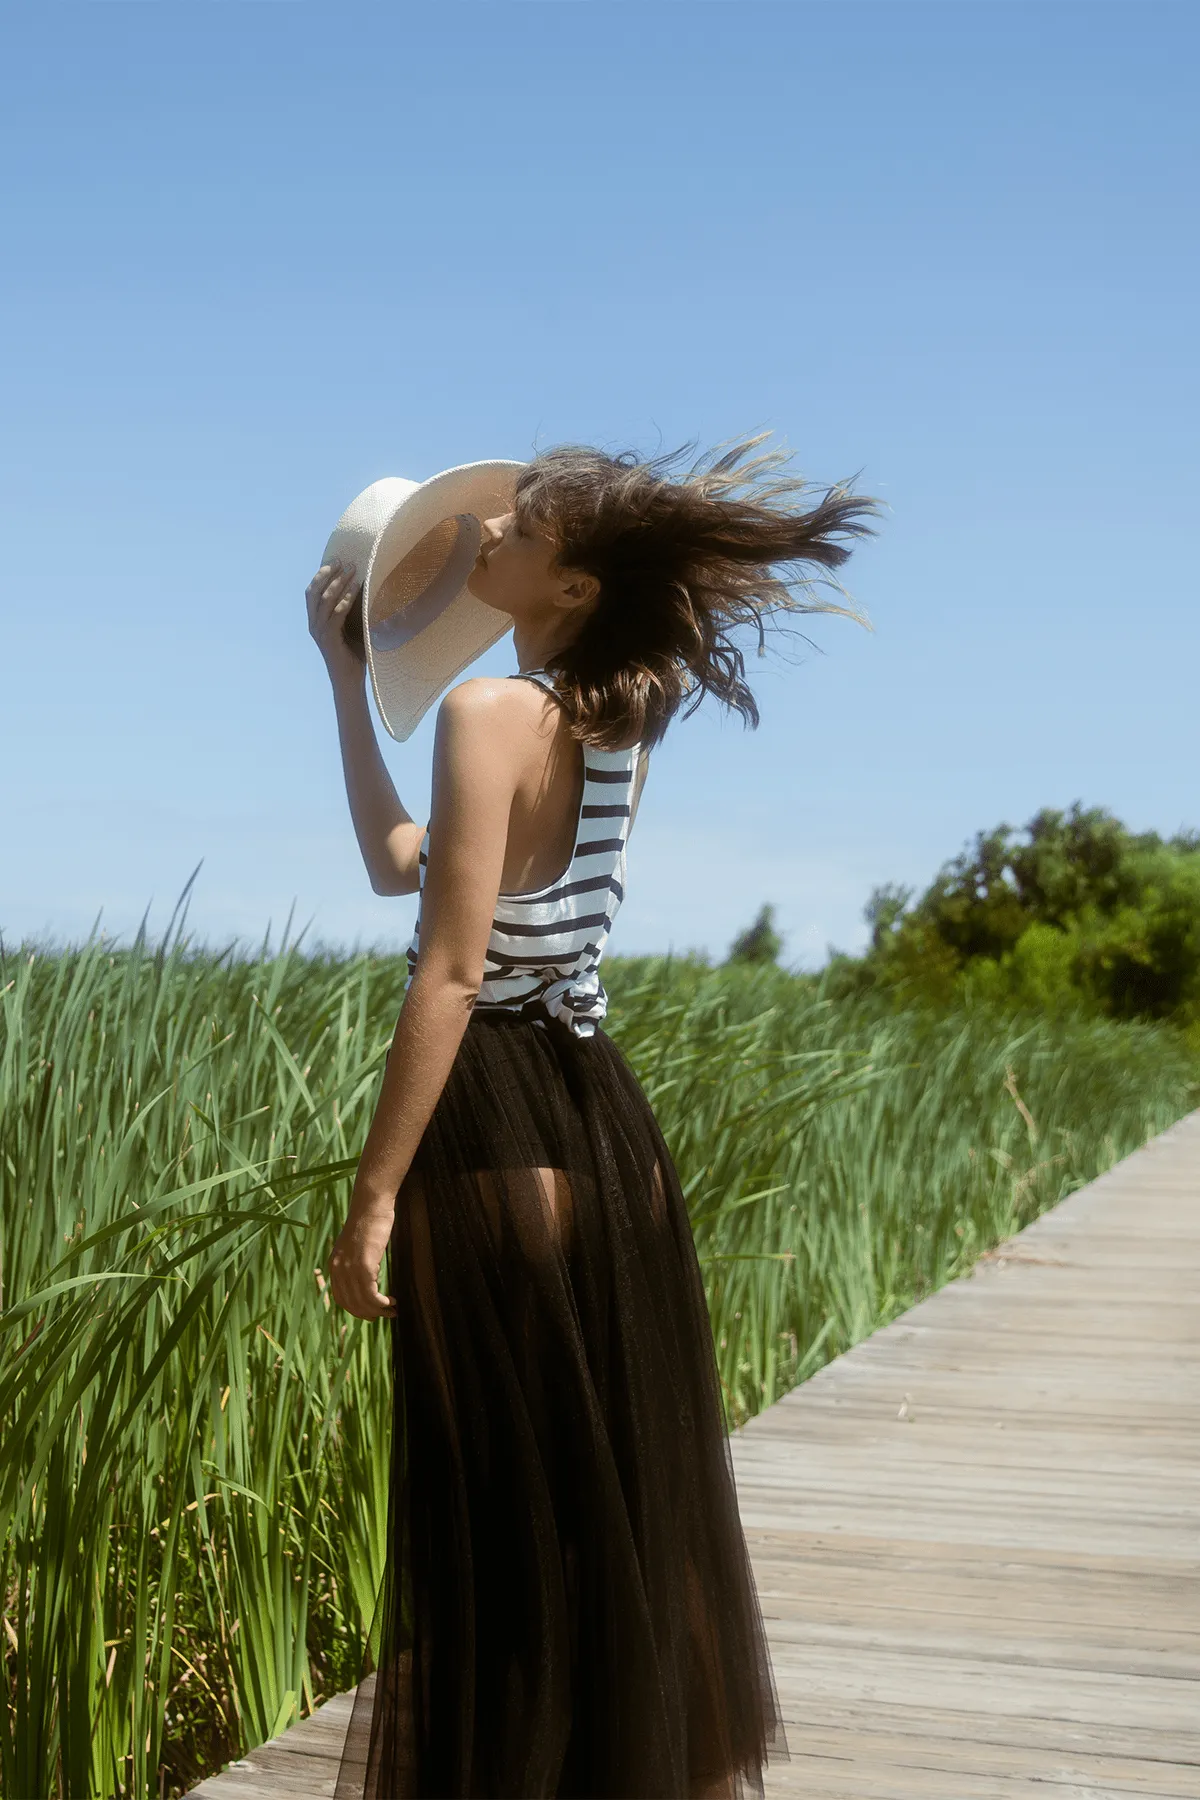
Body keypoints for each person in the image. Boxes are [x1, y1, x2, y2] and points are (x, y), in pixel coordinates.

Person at [309, 436, 878, 1799]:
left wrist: (374, 1197)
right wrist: (349, 684)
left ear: (568, 585)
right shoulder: (622, 709)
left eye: (513, 528)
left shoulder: (484, 718)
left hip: (495, 1107)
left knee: (492, 1500)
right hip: (599, 1113)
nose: (484, 535)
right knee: (601, 1481)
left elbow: (448, 969)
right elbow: (409, 866)